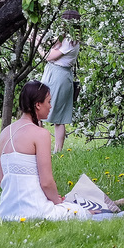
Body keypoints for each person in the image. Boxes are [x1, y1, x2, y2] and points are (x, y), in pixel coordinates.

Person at [0, 80, 91, 221]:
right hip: (36, 211)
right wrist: (57, 202)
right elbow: (46, 182)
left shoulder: (4, 133)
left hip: (5, 212)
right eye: (48, 102)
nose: (51, 106)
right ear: (38, 105)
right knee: (83, 211)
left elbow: (1, 180)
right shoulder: (40, 134)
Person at [41, 9, 81, 153]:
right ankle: (45, 148)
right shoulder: (66, 39)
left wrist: (37, 47)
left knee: (56, 114)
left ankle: (55, 150)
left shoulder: (70, 41)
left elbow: (50, 56)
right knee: (44, 109)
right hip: (54, 72)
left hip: (59, 75)